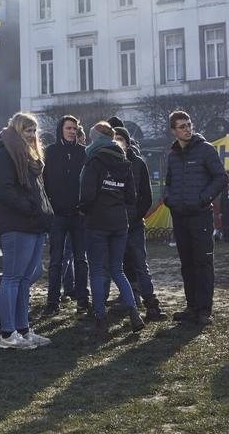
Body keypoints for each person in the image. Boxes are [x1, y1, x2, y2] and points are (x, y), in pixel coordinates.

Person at [0, 112, 53, 350]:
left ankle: (23, 329)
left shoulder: (28, 156)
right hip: (17, 223)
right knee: (13, 278)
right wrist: (31, 208)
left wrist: (43, 211)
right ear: (17, 130)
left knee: (25, 278)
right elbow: (4, 190)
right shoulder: (4, 154)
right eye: (27, 130)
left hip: (33, 222)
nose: (32, 135)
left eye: (34, 130)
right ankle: (8, 333)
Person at [163, 110, 228, 324]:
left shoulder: (206, 150)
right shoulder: (172, 155)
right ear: (173, 130)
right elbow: (169, 182)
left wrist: (204, 198)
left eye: (189, 124)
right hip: (180, 216)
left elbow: (220, 177)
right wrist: (169, 199)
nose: (187, 129)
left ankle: (204, 310)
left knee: (203, 262)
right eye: (182, 126)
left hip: (200, 215)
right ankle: (191, 306)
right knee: (187, 263)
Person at [79, 122, 143, 334]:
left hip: (97, 222)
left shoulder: (94, 161)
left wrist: (83, 209)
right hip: (119, 222)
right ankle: (134, 312)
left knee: (97, 270)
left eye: (90, 137)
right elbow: (131, 197)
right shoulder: (123, 161)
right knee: (118, 270)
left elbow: (87, 195)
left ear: (96, 138)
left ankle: (100, 318)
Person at [113, 126, 164, 321]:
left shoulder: (138, 164)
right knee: (120, 266)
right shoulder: (108, 164)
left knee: (140, 264)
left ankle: (152, 304)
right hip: (115, 224)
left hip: (134, 224)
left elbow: (146, 197)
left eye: (121, 139)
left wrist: (134, 216)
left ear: (127, 142)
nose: (118, 142)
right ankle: (130, 301)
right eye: (114, 139)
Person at [42, 115, 89, 316]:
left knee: (81, 259)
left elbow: (89, 182)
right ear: (61, 129)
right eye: (68, 128)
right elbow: (44, 182)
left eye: (74, 128)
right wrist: (50, 207)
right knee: (56, 260)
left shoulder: (83, 152)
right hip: (57, 214)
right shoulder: (50, 152)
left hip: (78, 214)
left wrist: (84, 206)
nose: (72, 131)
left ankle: (82, 300)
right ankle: (52, 301)